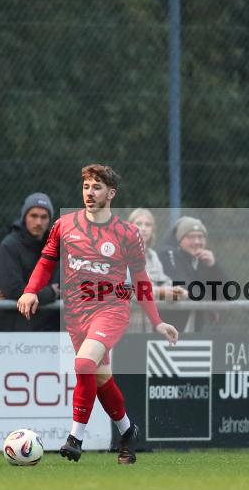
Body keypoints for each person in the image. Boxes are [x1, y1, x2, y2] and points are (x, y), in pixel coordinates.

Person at [17, 165, 179, 465]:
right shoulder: (64, 225)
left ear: (111, 193)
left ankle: (75, 438)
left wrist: (157, 321)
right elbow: (45, 262)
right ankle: (128, 432)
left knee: (83, 363)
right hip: (77, 314)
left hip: (112, 309)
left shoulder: (127, 233)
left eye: (97, 187)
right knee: (100, 377)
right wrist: (30, 290)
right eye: (86, 187)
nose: (90, 193)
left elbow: (141, 279)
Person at [0, 193, 59, 332]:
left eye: (44, 217)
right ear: (24, 217)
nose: (38, 222)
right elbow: (13, 290)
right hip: (1, 328)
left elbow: (64, 287)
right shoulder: (9, 246)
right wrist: (50, 293)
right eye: (33, 216)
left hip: (41, 328)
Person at [159, 215, 229, 331]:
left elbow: (226, 293)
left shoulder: (202, 260)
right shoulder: (167, 254)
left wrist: (213, 266)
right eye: (191, 237)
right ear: (179, 239)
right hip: (166, 328)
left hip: (193, 329)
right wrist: (209, 304)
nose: (197, 242)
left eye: (200, 237)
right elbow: (181, 285)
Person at [126, 208, 187, 333]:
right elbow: (129, 291)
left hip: (147, 322)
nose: (143, 228)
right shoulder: (122, 253)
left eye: (147, 224)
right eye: (138, 223)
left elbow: (164, 282)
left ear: (153, 229)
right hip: (124, 320)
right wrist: (162, 293)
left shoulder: (152, 255)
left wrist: (177, 292)